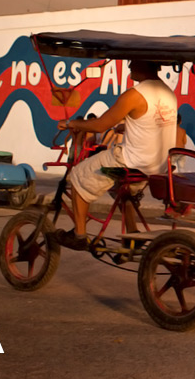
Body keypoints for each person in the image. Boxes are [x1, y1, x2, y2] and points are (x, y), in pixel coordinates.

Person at [54, 60, 177, 250]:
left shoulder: (134, 95)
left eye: (131, 62)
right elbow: (152, 122)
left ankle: (79, 234)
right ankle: (132, 232)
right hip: (158, 165)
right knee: (119, 187)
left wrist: (71, 124)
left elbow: (100, 125)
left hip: (131, 162)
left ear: (143, 65)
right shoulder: (168, 93)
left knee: (78, 174)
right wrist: (128, 126)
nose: (129, 66)